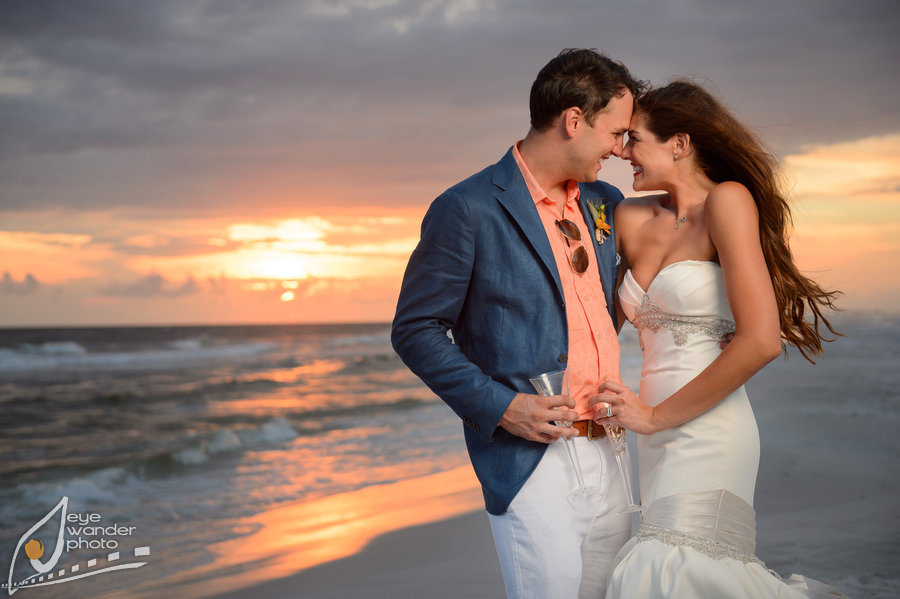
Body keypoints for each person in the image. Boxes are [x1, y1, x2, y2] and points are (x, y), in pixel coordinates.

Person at [391, 49, 643, 598]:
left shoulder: (606, 201)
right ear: (574, 120)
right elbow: (415, 330)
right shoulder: (467, 208)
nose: (622, 150)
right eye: (616, 132)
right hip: (532, 461)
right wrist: (502, 407)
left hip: (612, 449)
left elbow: (599, 307)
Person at [590, 80, 847, 598]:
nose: (622, 152)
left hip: (709, 428)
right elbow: (591, 321)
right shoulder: (629, 218)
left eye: (635, 139)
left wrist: (654, 416)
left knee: (671, 570)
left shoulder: (727, 203)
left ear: (680, 144)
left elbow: (760, 342)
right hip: (651, 434)